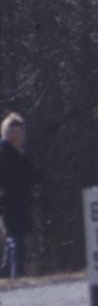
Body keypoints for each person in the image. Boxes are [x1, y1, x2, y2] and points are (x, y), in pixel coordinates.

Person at [0, 112, 43, 279]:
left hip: (20, 203)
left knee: (14, 242)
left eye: (18, 132)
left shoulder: (18, 153)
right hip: (8, 204)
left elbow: (34, 175)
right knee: (17, 241)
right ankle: (17, 277)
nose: (15, 136)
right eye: (12, 132)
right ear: (5, 132)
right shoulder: (4, 153)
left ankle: (5, 276)